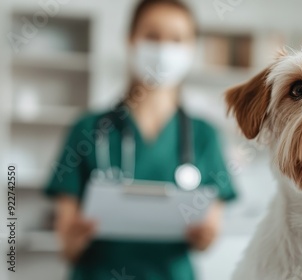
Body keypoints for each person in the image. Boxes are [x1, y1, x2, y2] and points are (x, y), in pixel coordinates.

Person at [45, 1, 237, 279]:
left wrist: (204, 238)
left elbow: (209, 235)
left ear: (192, 49)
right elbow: (67, 247)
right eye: (152, 36)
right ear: (130, 40)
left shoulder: (205, 135)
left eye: (177, 39)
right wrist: (75, 237)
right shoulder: (87, 130)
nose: (164, 49)